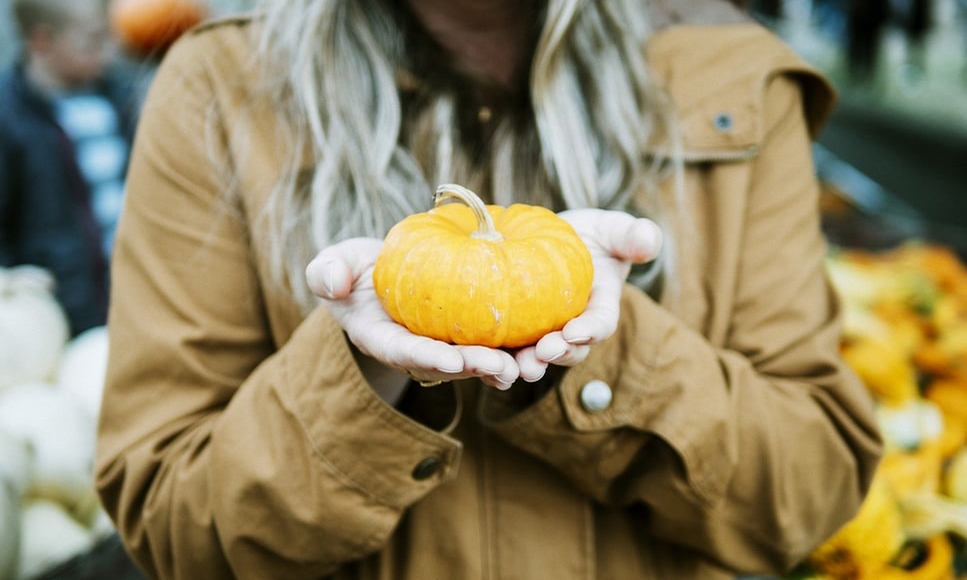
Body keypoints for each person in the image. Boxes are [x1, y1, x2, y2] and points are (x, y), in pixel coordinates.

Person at [94, 0, 883, 578]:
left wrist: (598, 349)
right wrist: (359, 370)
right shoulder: (219, 88)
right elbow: (171, 529)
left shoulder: (737, 80)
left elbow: (808, 493)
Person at [0, 0, 135, 337]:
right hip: (60, 311)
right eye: (92, 41)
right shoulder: (10, 117)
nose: (109, 53)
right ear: (42, 41)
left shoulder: (120, 97)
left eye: (109, 37)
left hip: (131, 297)